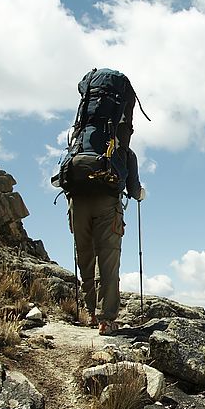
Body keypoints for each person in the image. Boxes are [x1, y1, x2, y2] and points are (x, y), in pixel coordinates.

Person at [69, 101, 146, 334]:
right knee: (108, 260)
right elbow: (134, 191)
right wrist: (140, 194)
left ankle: (90, 312)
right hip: (108, 204)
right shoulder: (123, 151)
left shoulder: (79, 145)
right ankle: (107, 319)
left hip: (77, 202)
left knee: (85, 257)